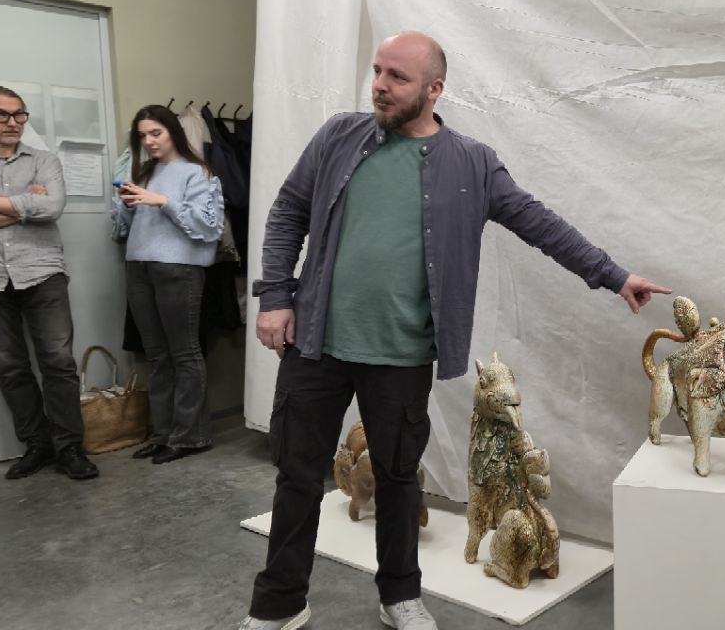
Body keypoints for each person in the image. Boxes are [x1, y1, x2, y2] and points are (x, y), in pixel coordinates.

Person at [239, 32, 669, 630]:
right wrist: (275, 297)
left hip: (402, 353)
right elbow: (288, 210)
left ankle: (399, 596)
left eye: (397, 77)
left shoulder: (472, 163)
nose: (380, 86)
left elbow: (540, 224)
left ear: (434, 89)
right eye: (378, 71)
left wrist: (613, 275)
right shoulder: (338, 136)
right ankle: (280, 603)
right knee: (297, 476)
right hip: (314, 343)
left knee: (397, 480)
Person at [0, 85, 97, 480]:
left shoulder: (44, 160)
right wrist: (25, 206)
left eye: (19, 114)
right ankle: (38, 445)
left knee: (58, 363)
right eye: (1, 114)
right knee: (10, 367)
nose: (12, 122)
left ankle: (70, 448)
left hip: (42, 272)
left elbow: (53, 206)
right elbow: (38, 207)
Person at [111, 105, 225, 464]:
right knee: (156, 355)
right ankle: (162, 434)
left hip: (179, 269)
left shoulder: (198, 172)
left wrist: (162, 200)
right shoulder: (143, 172)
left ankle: (190, 436)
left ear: (173, 131)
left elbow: (210, 227)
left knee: (184, 353)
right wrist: (127, 204)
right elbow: (125, 228)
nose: (149, 141)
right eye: (142, 135)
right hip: (139, 267)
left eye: (155, 133)